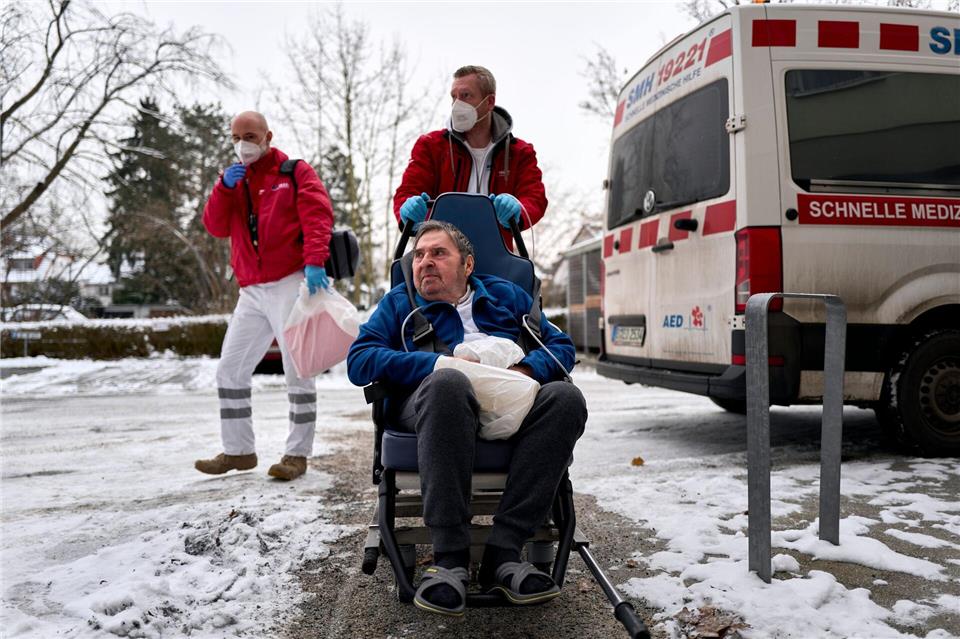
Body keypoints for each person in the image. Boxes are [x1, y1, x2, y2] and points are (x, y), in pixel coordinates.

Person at [347, 221, 586, 616]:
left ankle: (504, 553)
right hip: (432, 404)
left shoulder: (508, 297)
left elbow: (560, 346)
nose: (424, 262)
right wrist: (435, 363)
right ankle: (450, 560)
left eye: (438, 253)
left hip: (511, 401)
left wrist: (525, 371)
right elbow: (359, 361)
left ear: (468, 264)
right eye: (419, 255)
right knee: (449, 384)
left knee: (565, 398)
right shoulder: (399, 303)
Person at [195, 111, 335, 481]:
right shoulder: (233, 181)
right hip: (251, 289)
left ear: (267, 136)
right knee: (230, 368)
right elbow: (215, 225)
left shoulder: (293, 172)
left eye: (251, 136)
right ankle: (238, 451)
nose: (244, 143)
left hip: (289, 281)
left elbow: (318, 216)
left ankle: (296, 453)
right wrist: (223, 187)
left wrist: (315, 262)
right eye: (237, 136)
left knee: (297, 367)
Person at [393, 65, 548, 250]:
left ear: (489, 102)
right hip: (439, 255)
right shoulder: (431, 146)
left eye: (466, 95)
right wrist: (407, 210)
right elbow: (408, 192)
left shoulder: (519, 153)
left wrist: (518, 210)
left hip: (496, 256)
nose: (457, 104)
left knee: (521, 278)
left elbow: (534, 197)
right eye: (454, 96)